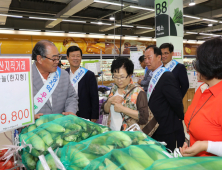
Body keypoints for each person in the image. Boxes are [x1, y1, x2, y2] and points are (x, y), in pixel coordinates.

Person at [180, 37, 222, 157]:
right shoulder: (202, 89)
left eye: (198, 62)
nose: (195, 66)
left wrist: (205, 146)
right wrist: (189, 144)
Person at [103, 57, 158, 135]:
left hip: (130, 137)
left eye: (122, 77)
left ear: (130, 75)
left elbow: (144, 118)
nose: (119, 80)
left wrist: (122, 109)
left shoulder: (138, 92)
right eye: (115, 76)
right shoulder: (114, 89)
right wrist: (109, 102)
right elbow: (105, 110)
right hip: (113, 134)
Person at [144, 45, 184, 151]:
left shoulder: (166, 76)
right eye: (145, 58)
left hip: (165, 126)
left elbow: (176, 100)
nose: (147, 61)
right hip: (155, 125)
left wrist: (180, 115)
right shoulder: (152, 74)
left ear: (158, 57)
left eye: (149, 57)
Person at [32, 40, 78, 119]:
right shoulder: (25, 78)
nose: (57, 61)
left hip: (59, 127)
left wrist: (70, 111)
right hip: (35, 129)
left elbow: (71, 96)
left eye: (58, 57)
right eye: (54, 59)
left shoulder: (63, 75)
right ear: (39, 59)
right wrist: (28, 118)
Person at [160, 43, 189, 148]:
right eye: (162, 53)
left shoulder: (179, 67)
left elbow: (185, 85)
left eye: (166, 53)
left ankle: (182, 149)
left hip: (175, 104)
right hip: (163, 105)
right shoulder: (160, 68)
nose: (163, 56)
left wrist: (178, 99)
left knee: (178, 126)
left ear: (172, 53)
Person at [65, 46, 99, 122]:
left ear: (81, 57)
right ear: (67, 58)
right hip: (67, 113)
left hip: (85, 113)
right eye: (73, 56)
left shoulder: (89, 75)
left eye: (78, 56)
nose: (75, 58)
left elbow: (94, 97)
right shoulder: (63, 74)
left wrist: (94, 115)